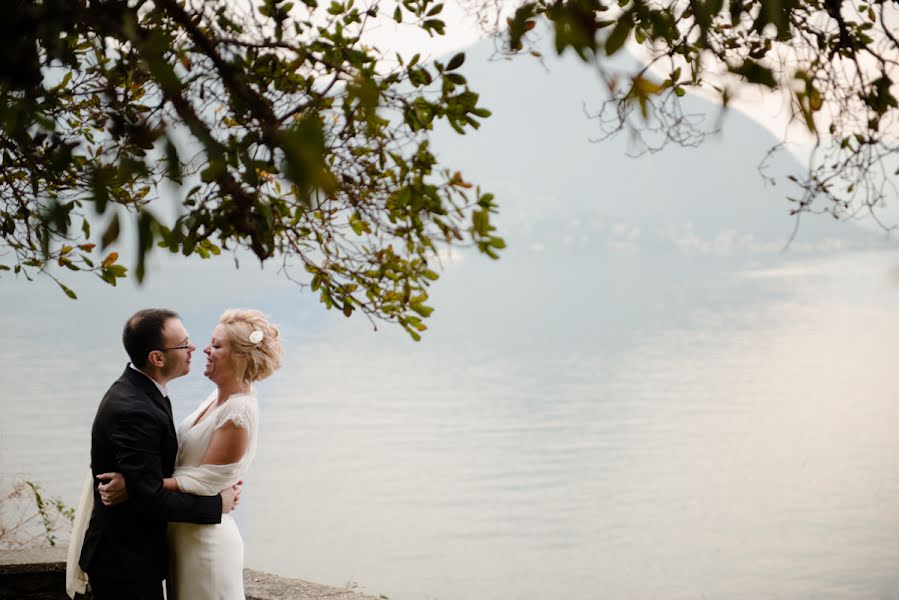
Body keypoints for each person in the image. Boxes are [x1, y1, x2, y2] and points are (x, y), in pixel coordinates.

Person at [99, 308, 283, 600]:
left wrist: (134, 485)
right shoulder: (215, 398)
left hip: (205, 544)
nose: (204, 349)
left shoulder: (239, 412)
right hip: (183, 536)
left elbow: (203, 482)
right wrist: (140, 483)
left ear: (240, 357)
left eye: (217, 345)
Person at [67, 308, 240, 600]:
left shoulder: (143, 391)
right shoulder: (135, 409)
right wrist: (216, 505)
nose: (194, 348)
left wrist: (135, 483)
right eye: (184, 344)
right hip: (124, 562)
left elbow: (145, 479)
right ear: (157, 358)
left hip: (132, 556)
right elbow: (151, 499)